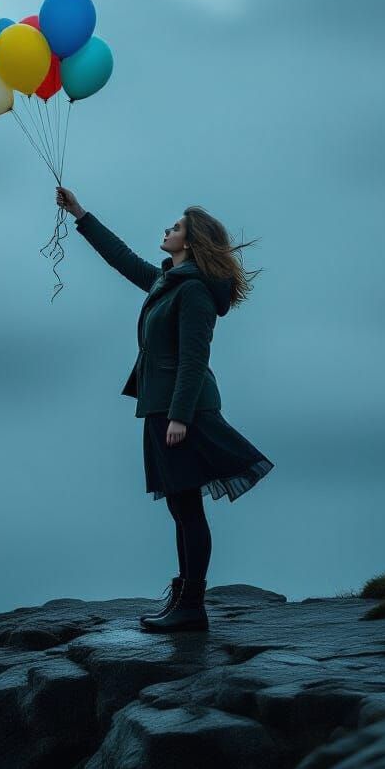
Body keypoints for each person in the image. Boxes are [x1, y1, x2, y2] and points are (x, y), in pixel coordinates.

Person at [56, 185, 274, 633]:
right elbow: (121, 258)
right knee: (182, 506)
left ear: (191, 241)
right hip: (163, 407)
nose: (167, 229)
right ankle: (185, 598)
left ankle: (192, 605)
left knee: (188, 508)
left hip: (182, 411)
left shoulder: (192, 291)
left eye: (175, 227)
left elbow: (196, 357)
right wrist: (80, 213)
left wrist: (178, 416)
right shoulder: (169, 281)